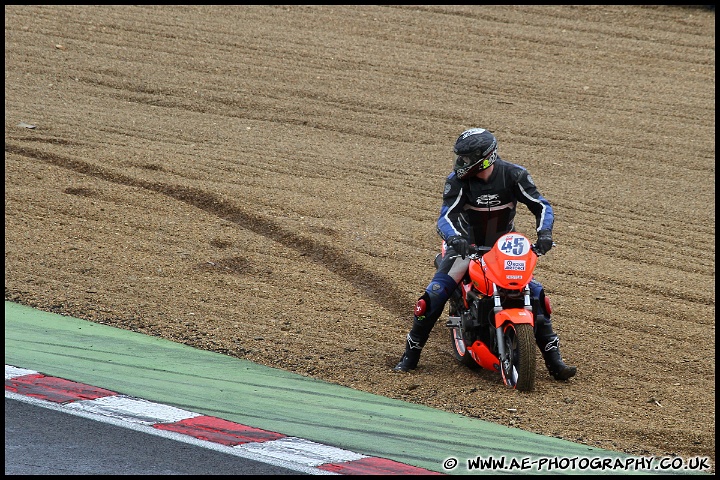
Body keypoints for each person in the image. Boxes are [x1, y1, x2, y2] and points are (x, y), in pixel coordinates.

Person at [393, 127, 577, 381]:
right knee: (434, 295)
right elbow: (445, 217)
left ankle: (554, 361)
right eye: (460, 157)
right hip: (466, 248)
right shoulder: (457, 181)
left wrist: (545, 234)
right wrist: (455, 239)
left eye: (466, 159)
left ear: (485, 157)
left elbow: (541, 206)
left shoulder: (514, 175)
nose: (460, 163)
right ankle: (410, 356)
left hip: (504, 248)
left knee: (534, 293)